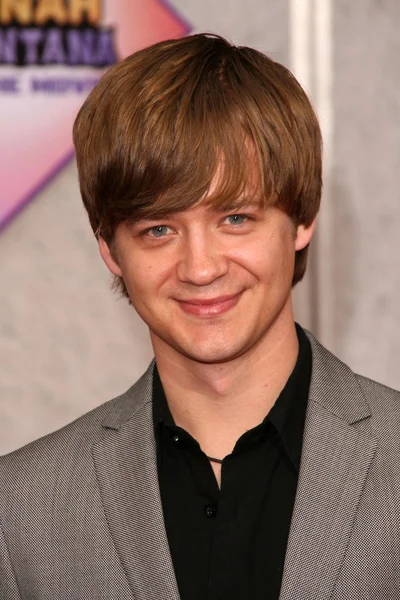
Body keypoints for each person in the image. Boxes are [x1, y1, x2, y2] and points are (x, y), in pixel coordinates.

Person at [1, 33, 399, 600]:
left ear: (302, 219)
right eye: (158, 229)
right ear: (111, 250)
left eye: (235, 218)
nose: (200, 266)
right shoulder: (21, 513)